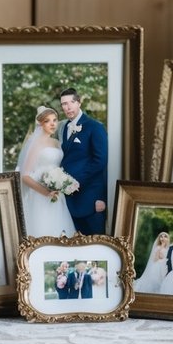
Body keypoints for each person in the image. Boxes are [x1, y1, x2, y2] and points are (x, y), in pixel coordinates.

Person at [16, 106, 77, 237]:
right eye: (47, 121)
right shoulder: (35, 144)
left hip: (56, 192)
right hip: (40, 193)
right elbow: (25, 176)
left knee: (60, 229)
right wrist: (46, 192)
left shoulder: (57, 143)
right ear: (40, 123)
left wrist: (62, 182)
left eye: (55, 120)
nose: (52, 123)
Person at [58, 88, 109, 234]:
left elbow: (100, 161)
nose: (67, 107)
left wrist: (75, 182)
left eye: (71, 102)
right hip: (69, 201)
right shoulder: (64, 127)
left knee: (94, 246)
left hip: (91, 200)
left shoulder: (95, 127)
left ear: (79, 102)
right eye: (63, 104)